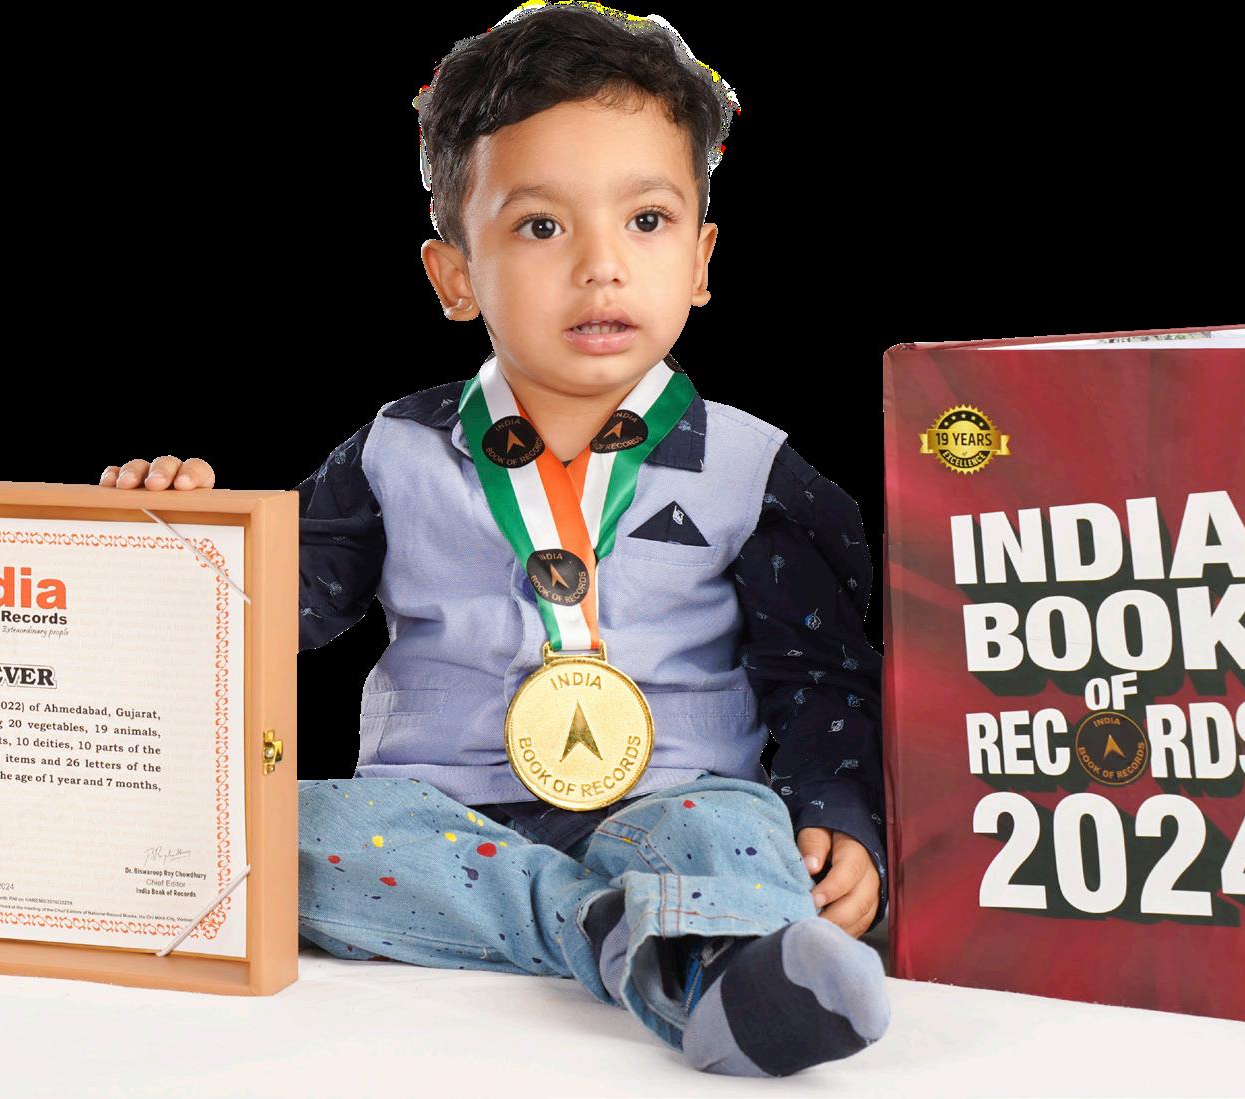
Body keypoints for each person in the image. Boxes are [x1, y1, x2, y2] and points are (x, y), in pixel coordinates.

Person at [103, 1, 887, 1076]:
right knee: (270, 834)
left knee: (734, 831)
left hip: (673, 797)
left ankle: (696, 952)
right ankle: (626, 933)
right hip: (433, 818)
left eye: (646, 220)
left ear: (703, 259)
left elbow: (820, 679)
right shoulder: (393, 450)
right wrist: (183, 541)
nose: (602, 266)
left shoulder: (758, 472)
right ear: (455, 275)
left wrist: (841, 812)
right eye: (541, 227)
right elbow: (282, 610)